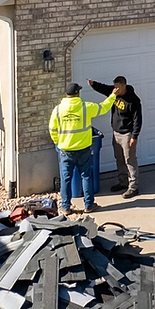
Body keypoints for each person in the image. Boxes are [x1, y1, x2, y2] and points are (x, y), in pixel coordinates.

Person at [48, 81, 117, 214]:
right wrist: (113, 96)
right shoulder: (86, 107)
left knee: (66, 179)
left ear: (66, 94)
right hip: (83, 149)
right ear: (78, 93)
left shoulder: (57, 110)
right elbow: (103, 108)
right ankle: (88, 205)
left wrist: (59, 142)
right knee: (86, 176)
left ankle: (66, 207)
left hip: (66, 150)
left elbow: (52, 129)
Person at [88, 75, 142, 198]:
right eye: (114, 87)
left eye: (118, 87)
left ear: (124, 86)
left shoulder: (133, 100)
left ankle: (133, 187)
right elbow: (104, 88)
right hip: (116, 132)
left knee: (130, 160)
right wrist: (93, 84)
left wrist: (134, 136)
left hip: (127, 134)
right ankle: (123, 182)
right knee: (119, 159)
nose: (115, 90)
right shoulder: (114, 93)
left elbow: (137, 119)